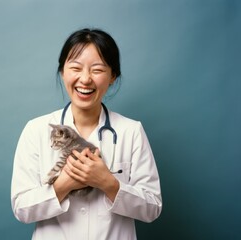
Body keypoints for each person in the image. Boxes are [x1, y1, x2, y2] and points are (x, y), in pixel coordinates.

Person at [11, 28, 162, 240]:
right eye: (75, 68)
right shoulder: (35, 130)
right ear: (63, 72)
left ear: (112, 76)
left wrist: (108, 183)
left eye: (97, 70)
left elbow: (152, 208)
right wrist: (64, 184)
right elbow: (22, 209)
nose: (85, 79)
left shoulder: (131, 131)